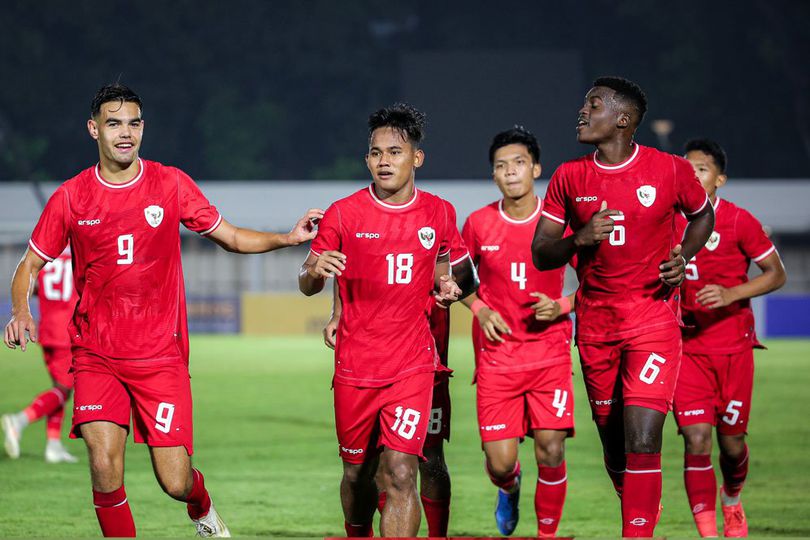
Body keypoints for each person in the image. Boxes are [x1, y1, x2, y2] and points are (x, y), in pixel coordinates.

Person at [3, 83, 322, 538]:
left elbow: (230, 236)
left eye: (133, 122)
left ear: (143, 127)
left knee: (174, 481)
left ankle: (202, 506)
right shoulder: (71, 197)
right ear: (93, 129)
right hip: (96, 354)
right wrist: (20, 311)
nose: (125, 132)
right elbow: (29, 264)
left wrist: (286, 239)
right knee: (103, 465)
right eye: (114, 123)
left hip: (160, 358)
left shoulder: (170, 183)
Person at [531, 76, 715, 537]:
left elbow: (702, 215)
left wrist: (683, 256)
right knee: (615, 446)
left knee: (642, 438)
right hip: (595, 328)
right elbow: (541, 251)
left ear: (623, 120)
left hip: (653, 322)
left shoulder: (669, 169)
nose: (581, 112)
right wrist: (580, 238)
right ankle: (635, 501)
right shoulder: (570, 177)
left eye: (592, 105)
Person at [299, 103, 477, 537]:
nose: (384, 161)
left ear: (416, 157)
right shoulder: (343, 213)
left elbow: (446, 269)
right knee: (359, 474)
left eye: (395, 152)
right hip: (356, 365)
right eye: (376, 153)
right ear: (367, 159)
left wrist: (449, 287)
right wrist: (314, 273)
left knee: (401, 471)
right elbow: (307, 279)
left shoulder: (439, 212)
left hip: (412, 364)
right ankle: (357, 530)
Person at [460, 126, 575, 538]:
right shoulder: (477, 224)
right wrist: (478, 307)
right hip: (497, 358)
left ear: (537, 169)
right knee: (501, 463)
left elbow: (601, 280)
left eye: (519, 163)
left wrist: (562, 305)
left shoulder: (559, 224)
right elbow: (452, 275)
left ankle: (546, 535)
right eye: (501, 166)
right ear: (493, 175)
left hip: (549, 355)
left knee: (552, 449)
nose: (510, 172)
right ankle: (509, 487)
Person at [674, 139, 786, 537]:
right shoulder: (667, 221)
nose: (691, 175)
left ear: (719, 179)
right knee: (696, 439)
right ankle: (708, 532)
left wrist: (731, 294)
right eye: (685, 168)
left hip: (734, 349)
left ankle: (733, 497)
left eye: (700, 169)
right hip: (686, 350)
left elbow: (776, 273)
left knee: (732, 444)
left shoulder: (739, 220)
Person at [324, 284, 453, 537]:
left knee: (407, 468)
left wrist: (452, 287)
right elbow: (335, 269)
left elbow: (464, 274)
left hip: (418, 363)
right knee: (361, 472)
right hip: (362, 365)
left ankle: (437, 535)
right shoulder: (353, 243)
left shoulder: (437, 243)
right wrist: (337, 313)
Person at [2, 246, 79, 463]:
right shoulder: (78, 258)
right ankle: (19, 420)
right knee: (64, 390)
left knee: (60, 388)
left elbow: (34, 286)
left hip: (47, 330)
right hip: (66, 331)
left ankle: (53, 446)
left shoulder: (45, 257)